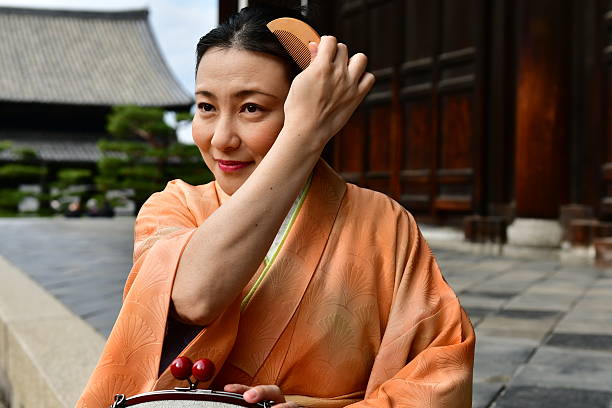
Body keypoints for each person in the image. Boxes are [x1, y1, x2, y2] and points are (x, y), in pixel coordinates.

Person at [77, 5, 474, 408]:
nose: (221, 139)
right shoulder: (173, 205)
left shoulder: (384, 223)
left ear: (309, 106)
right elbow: (193, 298)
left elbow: (440, 376)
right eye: (206, 107)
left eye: (252, 108)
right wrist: (304, 138)